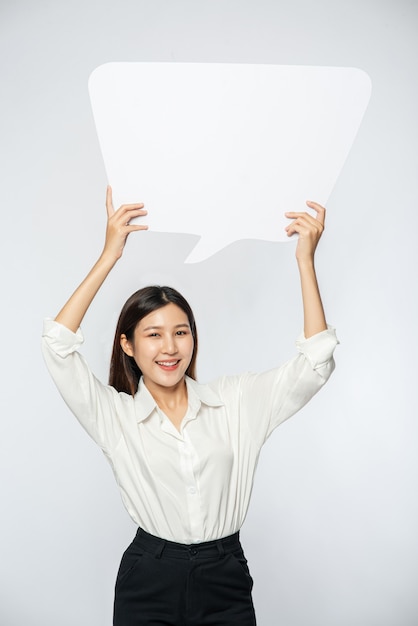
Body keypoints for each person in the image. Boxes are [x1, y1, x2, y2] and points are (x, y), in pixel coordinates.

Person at [42, 187, 338, 626]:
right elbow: (57, 347)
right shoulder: (116, 416)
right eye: (153, 334)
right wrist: (110, 255)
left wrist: (304, 261)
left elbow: (315, 363)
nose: (169, 347)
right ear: (127, 344)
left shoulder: (235, 401)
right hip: (149, 578)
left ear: (193, 339)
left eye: (181, 332)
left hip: (225, 577)